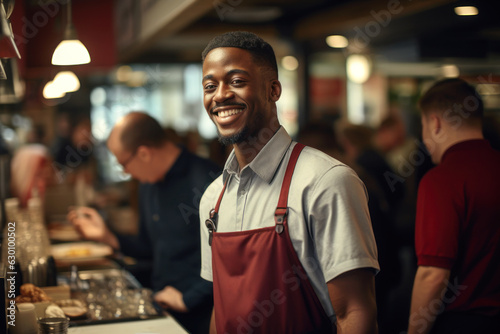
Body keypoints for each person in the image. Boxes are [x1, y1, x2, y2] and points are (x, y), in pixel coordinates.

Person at [199, 31, 379, 334]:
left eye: (237, 81)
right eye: (209, 86)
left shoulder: (326, 182)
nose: (220, 95)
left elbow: (355, 311)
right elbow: (222, 308)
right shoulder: (212, 198)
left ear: (274, 90)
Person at [68, 112, 220, 334]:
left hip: (201, 315)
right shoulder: (148, 184)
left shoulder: (208, 181)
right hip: (160, 307)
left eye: (124, 164)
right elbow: (148, 248)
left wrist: (188, 299)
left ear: (144, 153)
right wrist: (107, 236)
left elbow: (230, 263)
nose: (126, 172)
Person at [408, 78, 500, 334]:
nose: (425, 139)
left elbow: (432, 274)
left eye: (423, 126)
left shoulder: (440, 181)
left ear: (435, 123)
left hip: (462, 323)